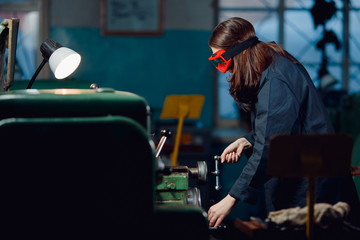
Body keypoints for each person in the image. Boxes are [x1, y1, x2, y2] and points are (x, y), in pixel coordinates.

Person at [207, 17, 360, 228]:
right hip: (304, 171)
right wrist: (247, 140)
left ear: (239, 51)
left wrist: (230, 199)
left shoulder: (275, 78)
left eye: (221, 61)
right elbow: (280, 125)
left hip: (313, 182)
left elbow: (270, 144)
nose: (223, 70)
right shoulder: (269, 66)